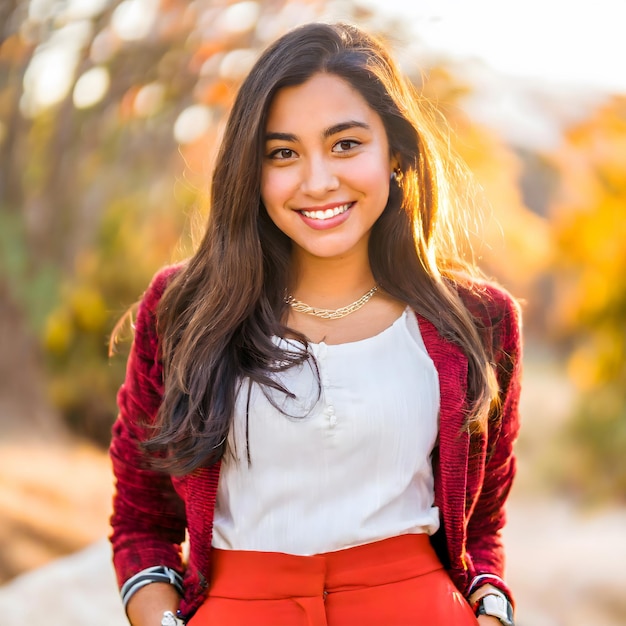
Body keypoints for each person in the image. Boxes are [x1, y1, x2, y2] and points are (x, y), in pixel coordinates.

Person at [109, 21, 521, 626]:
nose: (318, 180)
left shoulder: (479, 322)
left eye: (346, 144)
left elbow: (480, 528)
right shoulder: (183, 311)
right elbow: (141, 522)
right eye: (283, 153)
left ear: (396, 153)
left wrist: (490, 611)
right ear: (251, 170)